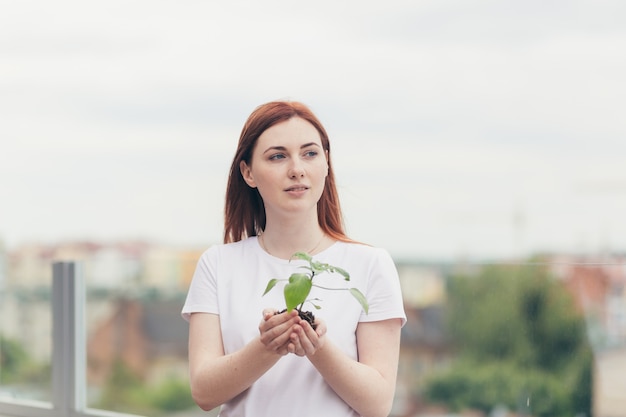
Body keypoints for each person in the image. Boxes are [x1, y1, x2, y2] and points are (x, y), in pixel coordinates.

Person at [181, 100, 406, 417]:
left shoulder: (370, 265)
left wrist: (317, 347)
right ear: (248, 172)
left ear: (327, 163)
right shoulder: (217, 265)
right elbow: (204, 392)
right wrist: (267, 346)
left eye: (310, 153)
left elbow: (378, 404)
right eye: (277, 156)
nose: (297, 169)